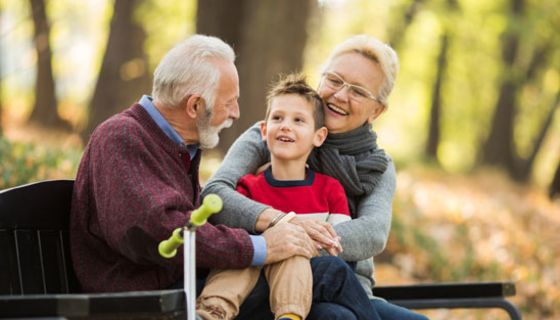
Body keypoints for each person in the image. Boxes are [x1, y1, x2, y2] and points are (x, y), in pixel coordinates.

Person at [70, 34, 386, 320]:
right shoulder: (124, 136)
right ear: (194, 105)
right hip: (153, 301)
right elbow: (157, 231)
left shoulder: (172, 145)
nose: (235, 113)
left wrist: (263, 241)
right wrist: (260, 246)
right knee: (329, 271)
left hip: (185, 284)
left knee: (332, 315)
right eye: (229, 102)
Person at [202, 35, 429, 320]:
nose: (341, 95)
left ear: (377, 110)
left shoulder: (377, 165)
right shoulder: (271, 135)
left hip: (348, 285)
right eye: (334, 80)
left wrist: (297, 237)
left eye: (358, 91)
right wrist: (280, 224)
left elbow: (372, 233)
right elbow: (216, 193)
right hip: (263, 279)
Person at [197, 74, 376, 320]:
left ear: (319, 136)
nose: (285, 126)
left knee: (294, 252)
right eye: (277, 118)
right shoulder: (248, 188)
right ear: (263, 129)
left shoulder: (330, 190)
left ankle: (289, 316)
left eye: (299, 120)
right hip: (251, 284)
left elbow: (336, 249)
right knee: (252, 249)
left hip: (305, 282)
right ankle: (211, 312)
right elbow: (237, 241)